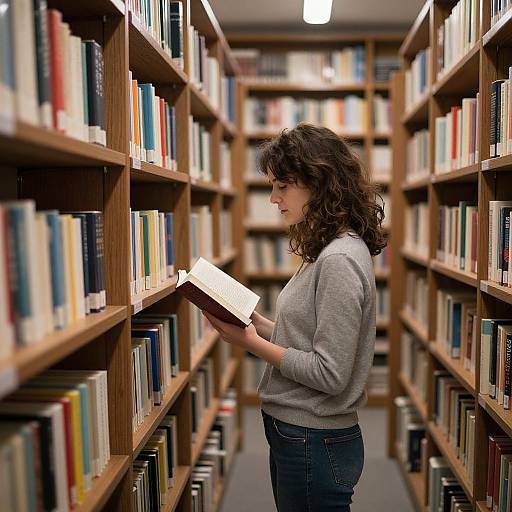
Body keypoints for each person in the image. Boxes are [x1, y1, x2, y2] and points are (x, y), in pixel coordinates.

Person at [202, 123, 386, 512]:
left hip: (313, 438)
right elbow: (305, 336)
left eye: (283, 186)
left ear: (319, 183)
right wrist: (254, 321)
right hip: (302, 433)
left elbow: (329, 374)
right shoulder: (328, 249)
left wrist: (250, 343)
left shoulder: (338, 260)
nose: (273, 198)